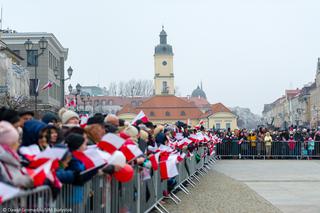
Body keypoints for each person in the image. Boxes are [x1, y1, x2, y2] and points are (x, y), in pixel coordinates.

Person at [0, 121, 33, 188]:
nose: (18, 144)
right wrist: (27, 180)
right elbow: (8, 182)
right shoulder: (5, 159)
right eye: (15, 142)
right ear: (8, 144)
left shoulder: (11, 158)